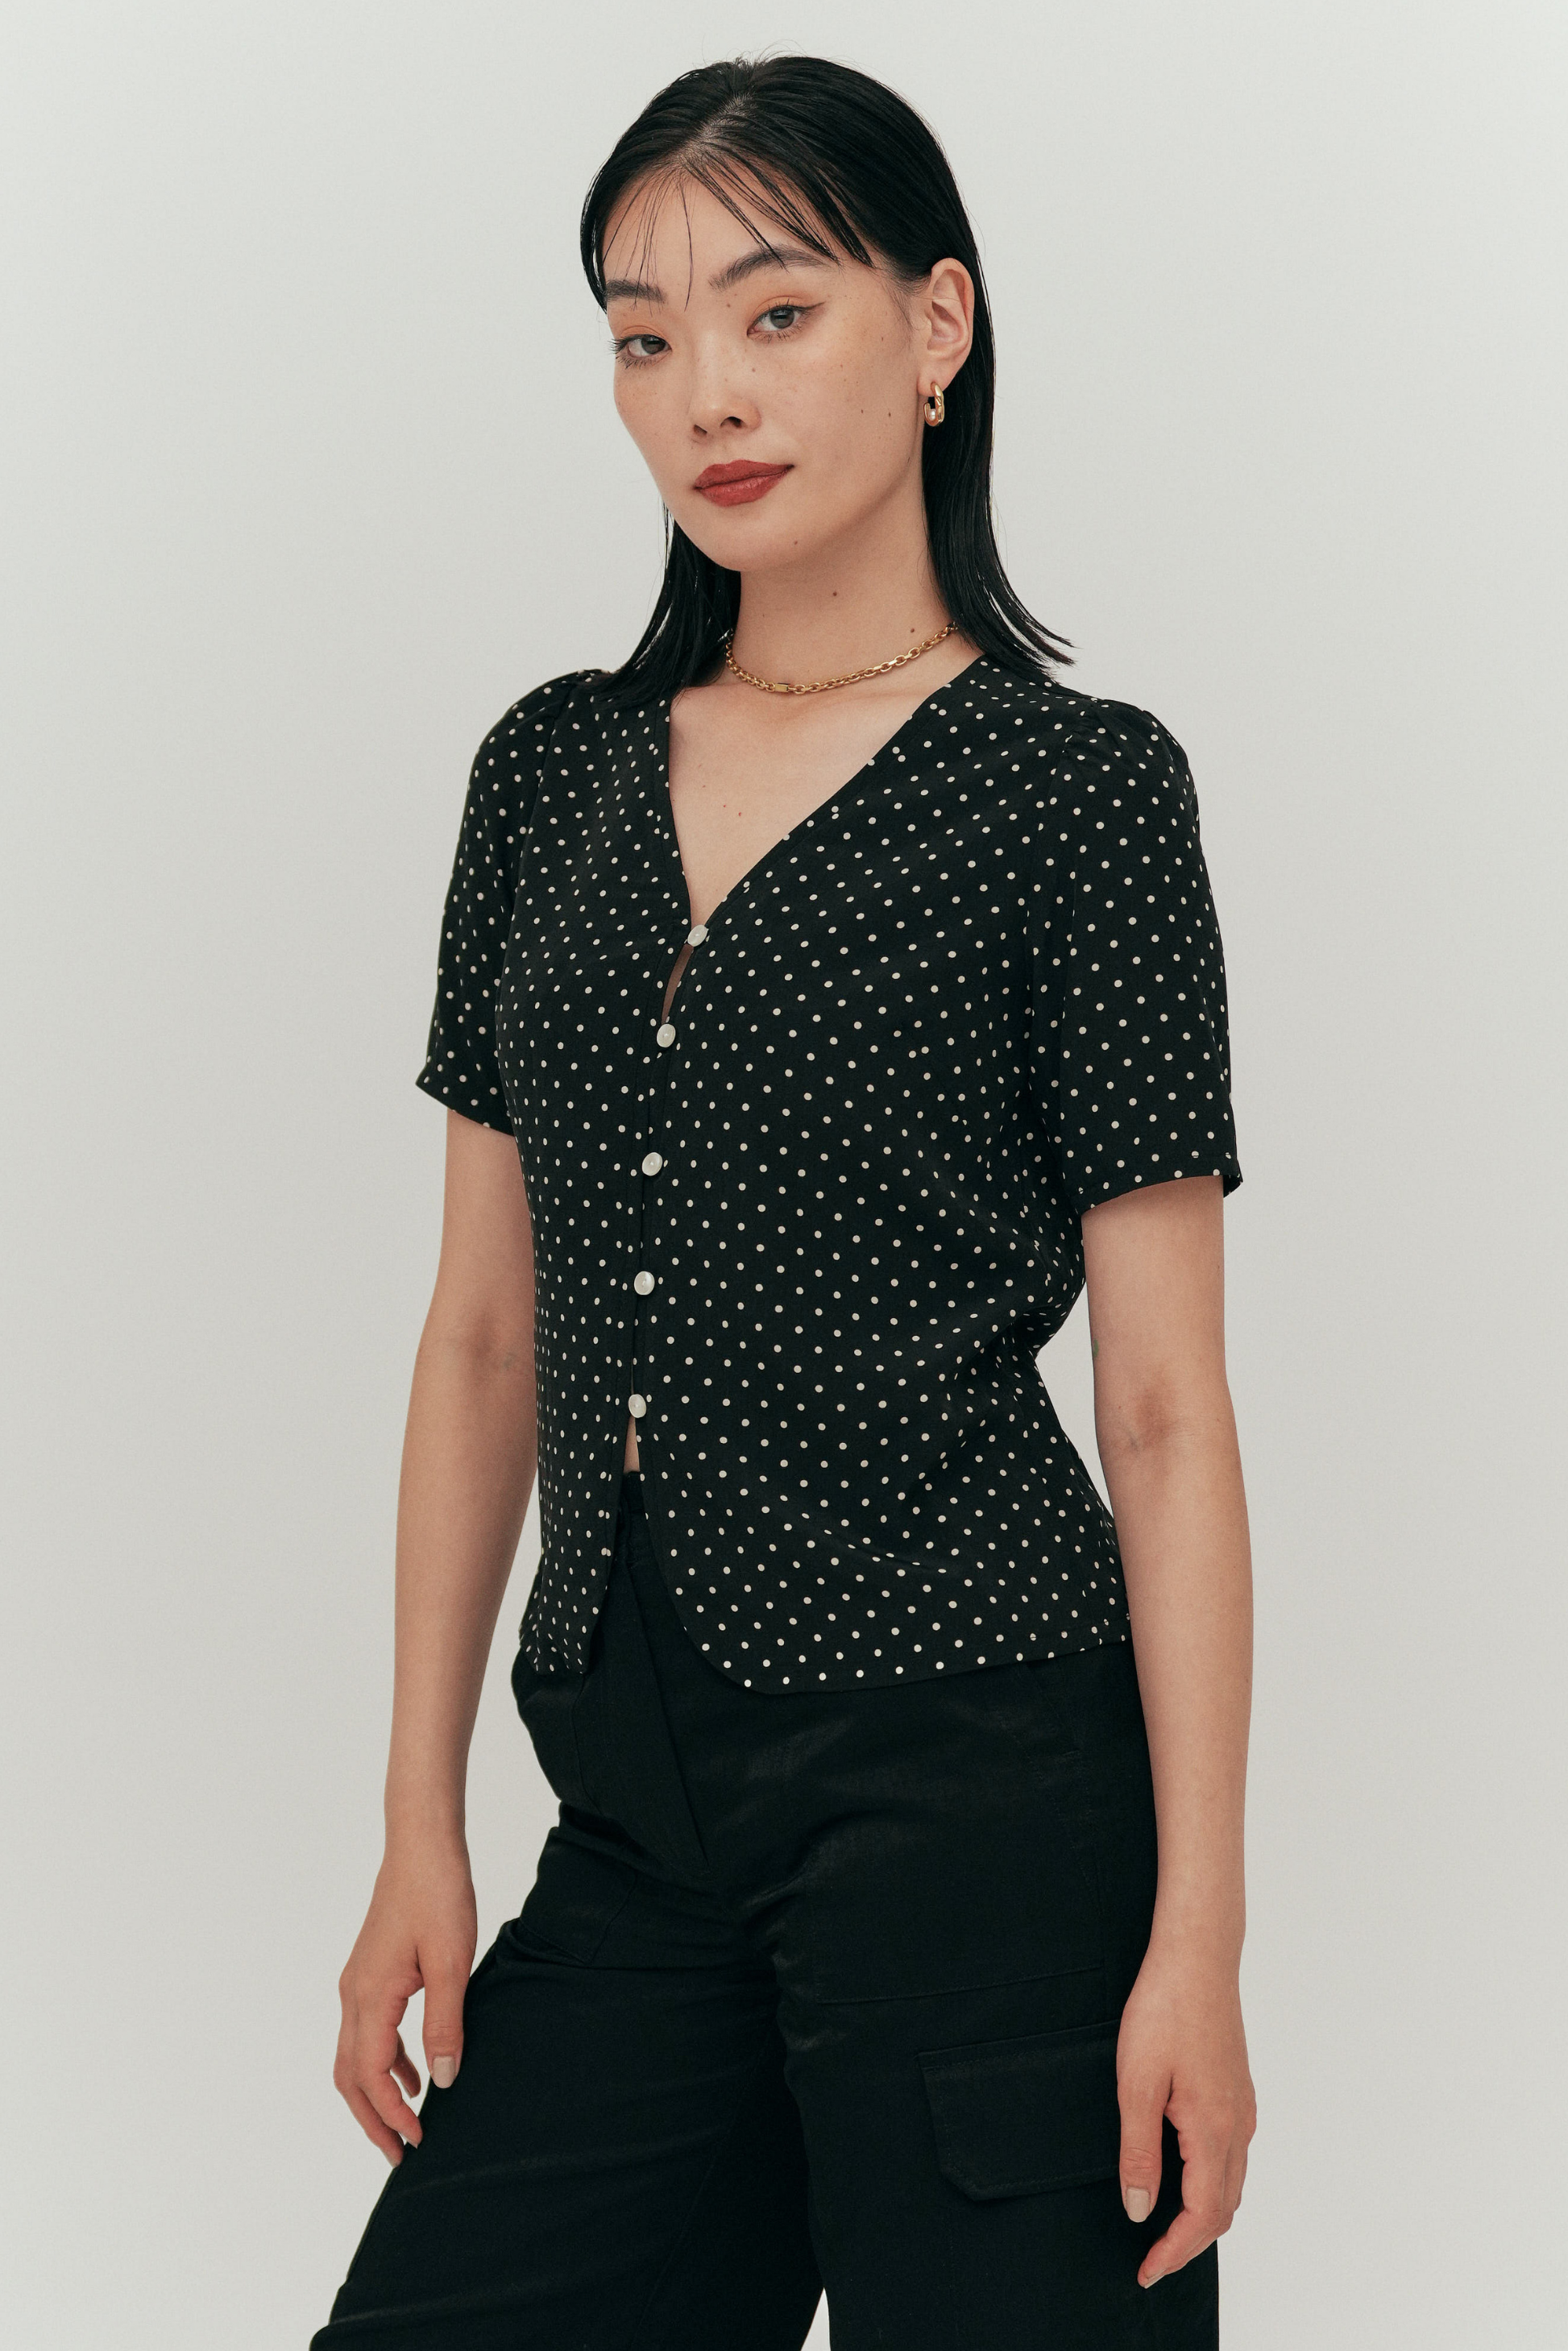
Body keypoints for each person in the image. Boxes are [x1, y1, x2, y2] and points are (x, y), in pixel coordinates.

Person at [312, 52, 1255, 2351]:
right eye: (642, 337)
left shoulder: (1080, 796)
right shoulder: (549, 775)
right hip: (638, 1798)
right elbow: (482, 1333)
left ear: (938, 326)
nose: (704, 393)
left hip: (984, 1793)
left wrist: (1197, 1944)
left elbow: (1161, 1409)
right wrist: (419, 1819)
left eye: (773, 311)